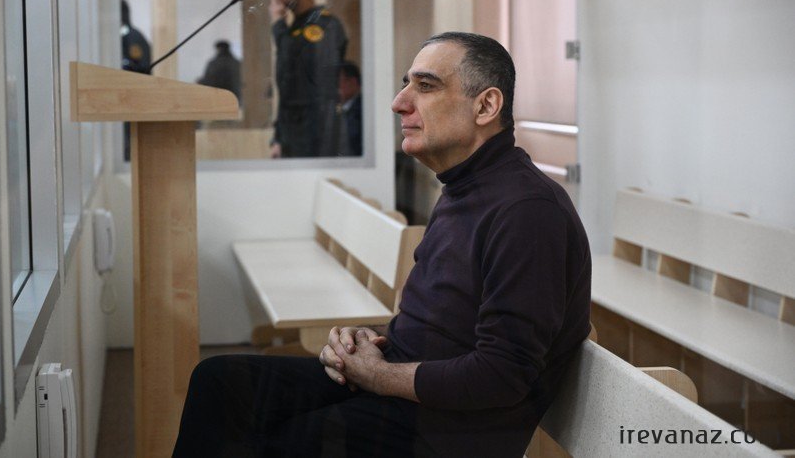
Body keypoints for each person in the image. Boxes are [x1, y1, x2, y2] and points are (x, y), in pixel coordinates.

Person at [172, 32, 591, 458]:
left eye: (425, 86)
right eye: (406, 84)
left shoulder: (527, 211)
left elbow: (503, 374)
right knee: (220, 382)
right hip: (404, 391)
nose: (399, 102)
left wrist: (377, 376)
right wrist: (366, 341)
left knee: (268, 442)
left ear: (485, 106)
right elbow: (439, 326)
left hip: (444, 433)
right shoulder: (465, 186)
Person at [264, 0, 347, 158]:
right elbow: (288, 92)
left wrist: (278, 24)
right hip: (293, 139)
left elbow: (303, 78)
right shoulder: (296, 27)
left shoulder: (324, 24)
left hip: (316, 140)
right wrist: (279, 138)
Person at [120, 0, 152, 161]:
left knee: (131, 141)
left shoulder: (132, 37)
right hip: (123, 99)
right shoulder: (120, 36)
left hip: (133, 97)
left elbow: (141, 66)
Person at [321, 61, 362, 156]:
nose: (336, 87)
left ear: (353, 82)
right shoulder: (335, 108)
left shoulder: (363, 109)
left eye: (338, 81)